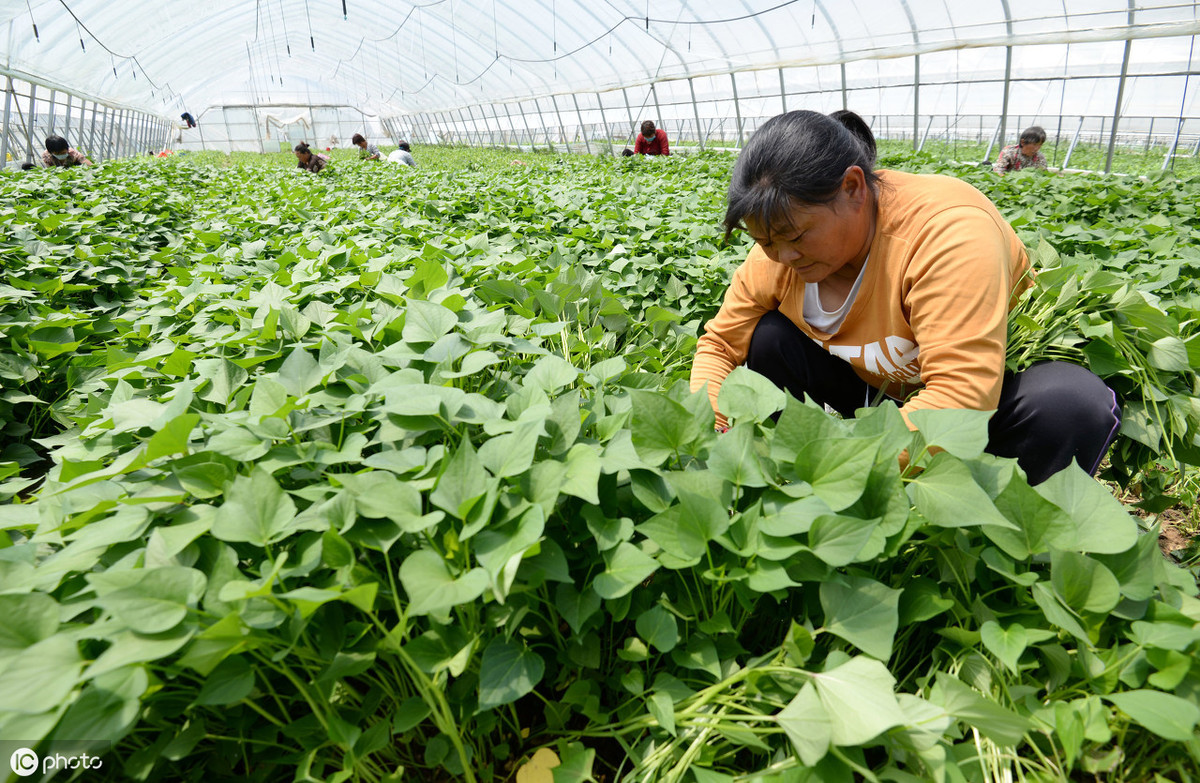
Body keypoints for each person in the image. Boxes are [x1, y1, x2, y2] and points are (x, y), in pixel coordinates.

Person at [689, 110, 1120, 485]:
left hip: (985, 403)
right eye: (765, 241)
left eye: (796, 236)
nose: (782, 256)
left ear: (853, 188)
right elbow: (719, 345)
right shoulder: (776, 253)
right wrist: (715, 431)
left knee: (1070, 403)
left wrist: (834, 469)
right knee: (766, 338)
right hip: (881, 390)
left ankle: (1006, 526)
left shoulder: (946, 233)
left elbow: (962, 394)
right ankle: (783, 471)